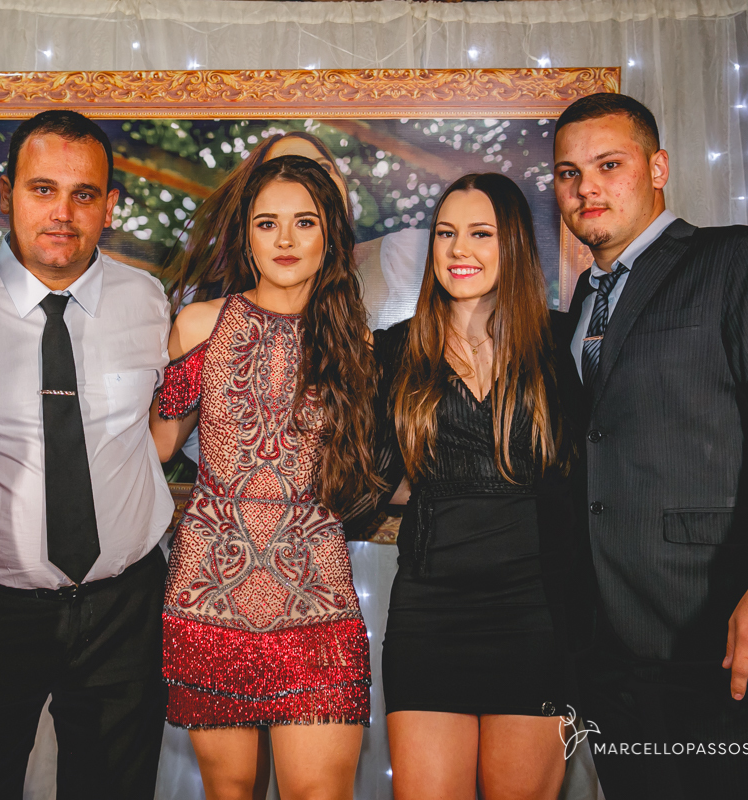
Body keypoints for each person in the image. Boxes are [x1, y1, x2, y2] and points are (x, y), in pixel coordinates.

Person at [552, 93, 748, 798]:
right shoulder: (580, 305)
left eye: (608, 165)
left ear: (657, 168)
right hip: (610, 655)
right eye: (568, 173)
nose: (587, 187)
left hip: (727, 634)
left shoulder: (736, 259)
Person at [0, 110, 173, 799]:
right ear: (6, 195)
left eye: (84, 194)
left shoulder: (148, 302)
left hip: (126, 606)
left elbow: (160, 429)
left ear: (110, 205)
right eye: (43, 189)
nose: (62, 213)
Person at [150, 155, 378, 800]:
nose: (284, 239)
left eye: (304, 222)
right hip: (210, 590)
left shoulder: (356, 340)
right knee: (229, 791)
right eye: (267, 222)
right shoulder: (199, 324)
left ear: (330, 234)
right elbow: (157, 446)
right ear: (245, 235)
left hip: (316, 594)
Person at [373, 173, 577, 800]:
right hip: (428, 613)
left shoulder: (561, 343)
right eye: (446, 234)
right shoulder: (393, 350)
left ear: (512, 243)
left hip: (538, 613)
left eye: (480, 234)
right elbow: (368, 481)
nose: (460, 249)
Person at [164, 130, 427, 331]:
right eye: (286, 169)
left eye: (322, 168)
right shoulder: (205, 324)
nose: (307, 181)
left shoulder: (405, 253)